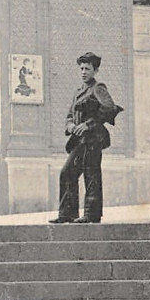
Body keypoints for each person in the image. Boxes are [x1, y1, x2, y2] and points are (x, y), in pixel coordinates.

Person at [50, 52, 123, 225]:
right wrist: (70, 125)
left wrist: (89, 124)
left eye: (87, 69)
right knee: (67, 173)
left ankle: (91, 215)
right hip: (79, 141)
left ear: (95, 71)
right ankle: (67, 214)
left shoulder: (98, 88)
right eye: (81, 68)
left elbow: (110, 108)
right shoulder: (78, 92)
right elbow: (69, 115)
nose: (83, 72)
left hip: (93, 140)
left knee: (91, 176)